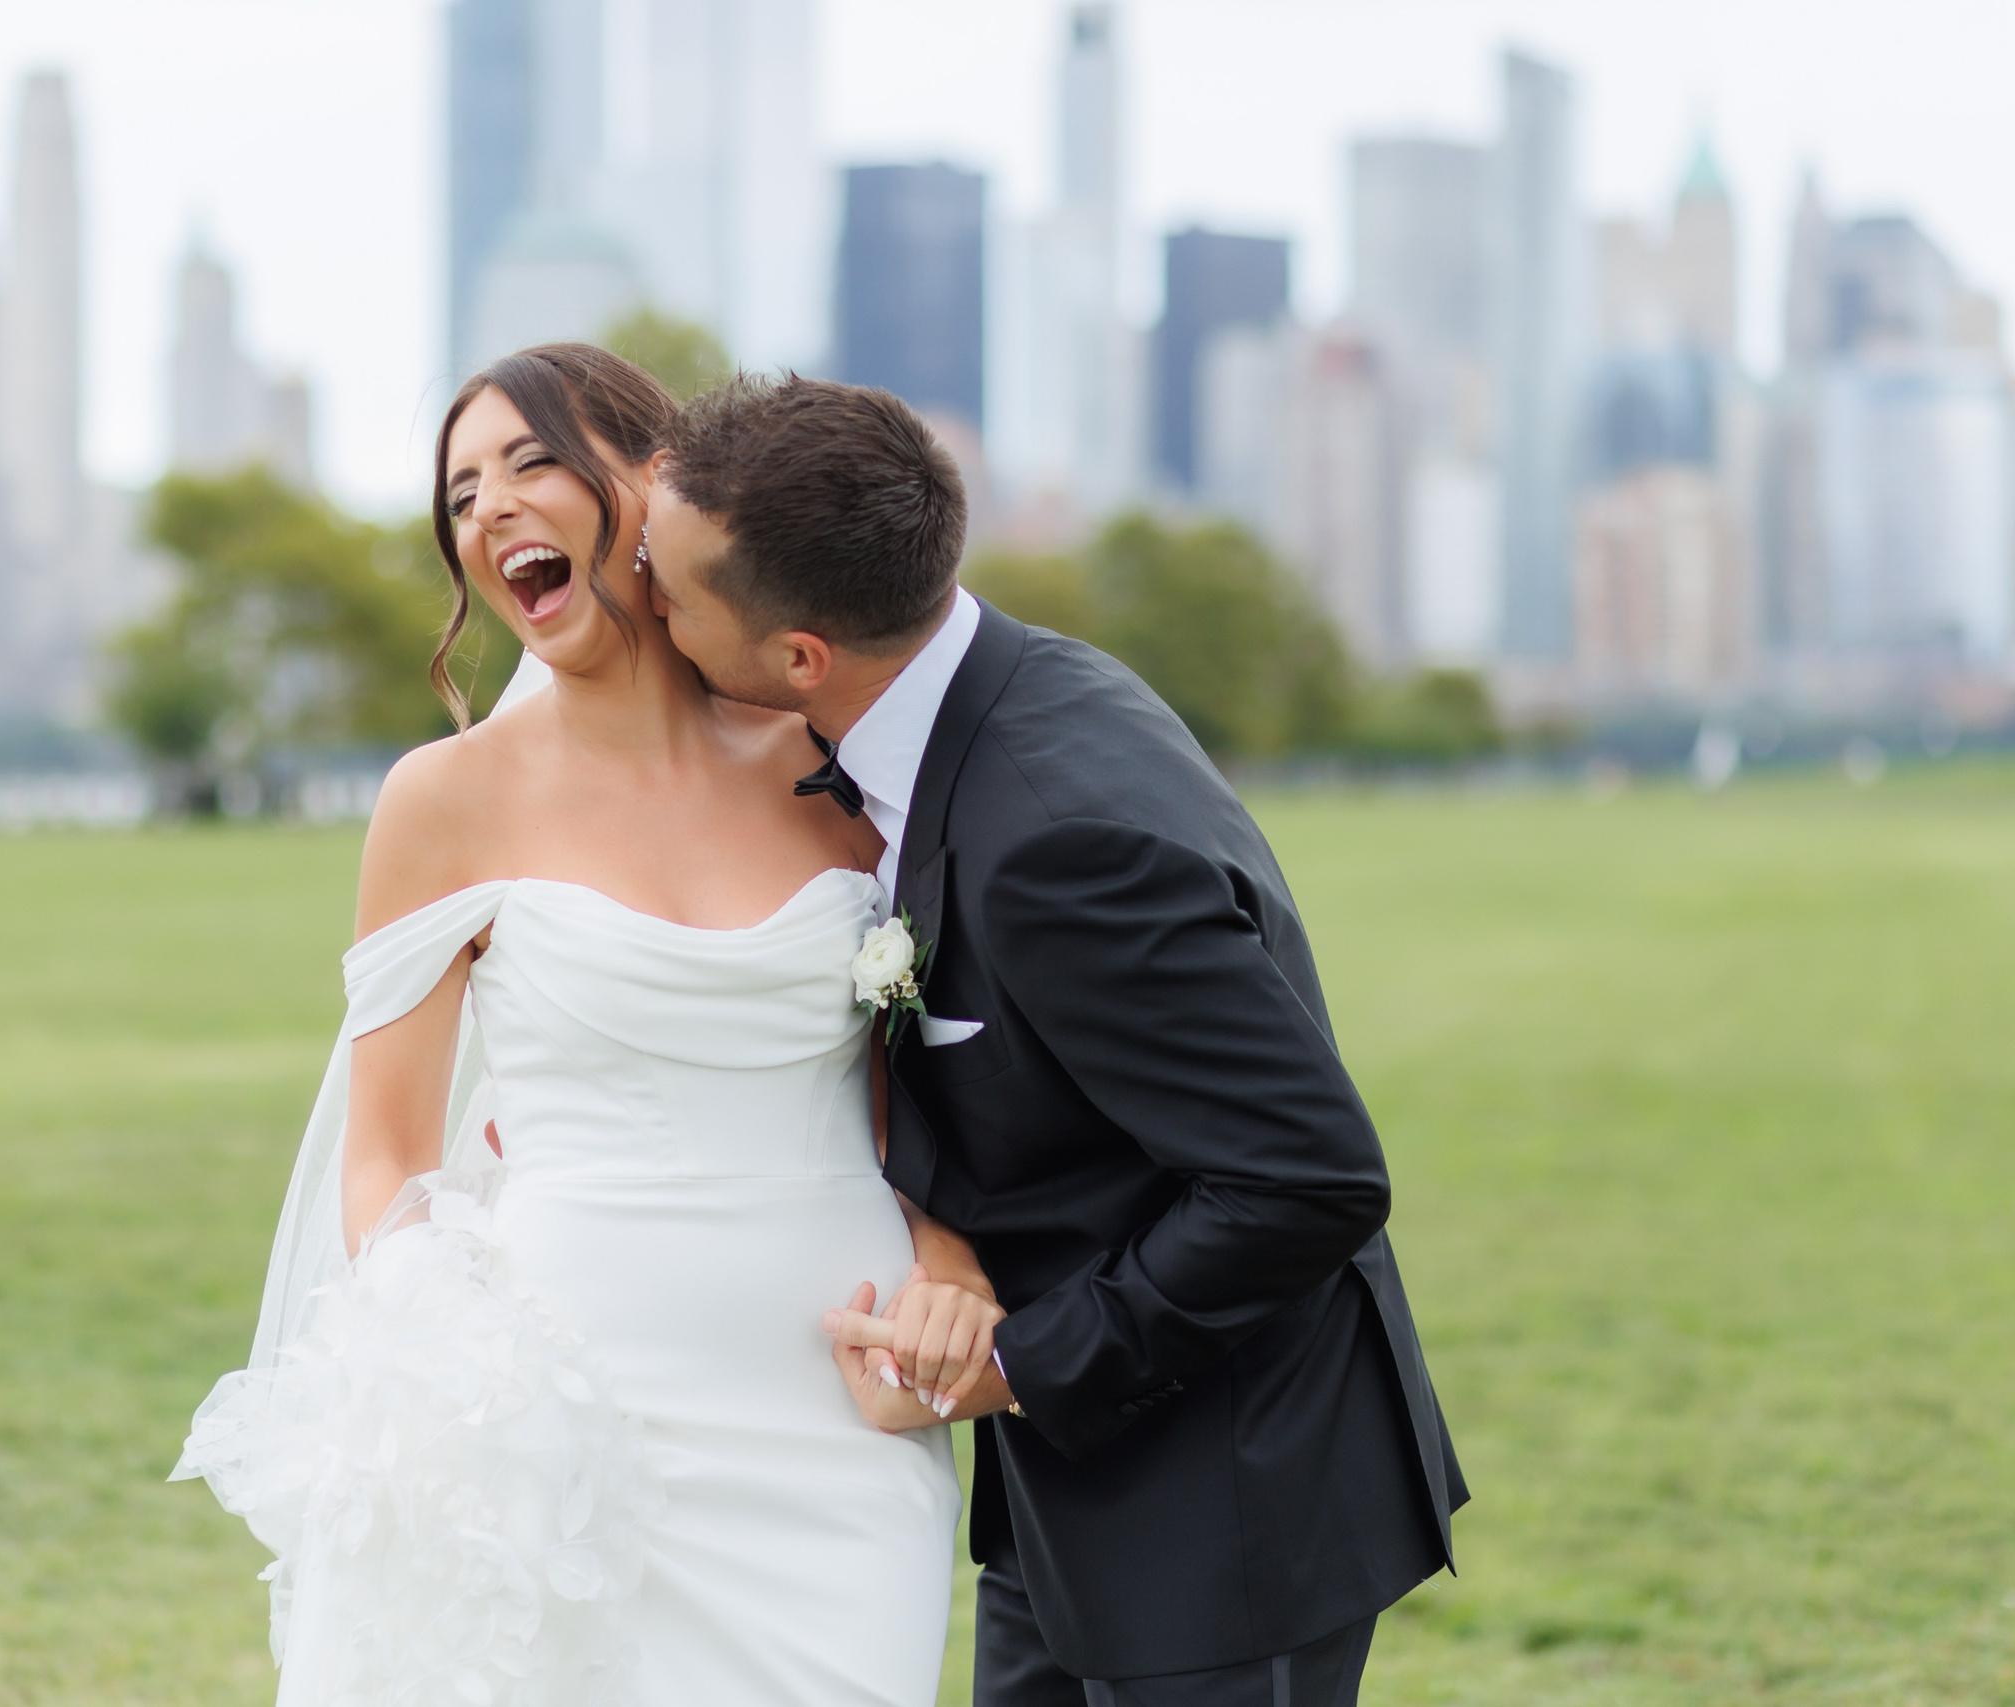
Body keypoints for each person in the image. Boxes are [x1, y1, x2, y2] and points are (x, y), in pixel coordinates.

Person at [171, 344, 1003, 1706]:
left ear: (656, 484)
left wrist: (952, 1270)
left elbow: (913, 1098)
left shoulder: (831, 765)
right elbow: (384, 1156)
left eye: (530, 461)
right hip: (574, 1413)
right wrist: (456, 1357)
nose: (488, 508)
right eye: (460, 496)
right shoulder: (443, 802)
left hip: (842, 1405)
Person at [638, 374, 1469, 1707]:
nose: (645, 605)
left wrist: (1014, 1366)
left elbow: (1306, 1180)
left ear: (799, 657)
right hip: (1073, 1501)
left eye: (668, 590)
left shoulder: (1056, 836)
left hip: (1223, 1524)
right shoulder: (988, 682)